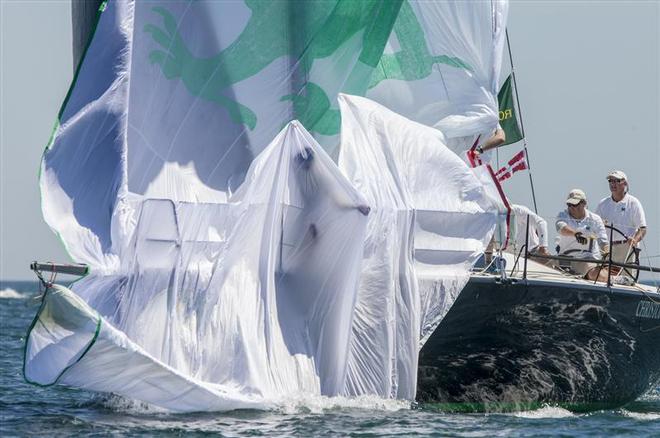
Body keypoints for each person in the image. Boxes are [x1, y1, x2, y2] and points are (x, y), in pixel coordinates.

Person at [596, 170, 646, 278]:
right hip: (607, 248)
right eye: (611, 181)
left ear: (625, 183)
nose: (613, 184)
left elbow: (642, 228)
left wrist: (635, 240)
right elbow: (595, 227)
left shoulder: (633, 203)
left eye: (617, 181)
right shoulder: (603, 204)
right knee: (603, 280)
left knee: (626, 280)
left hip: (627, 248)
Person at [555, 189, 609, 277]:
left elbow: (602, 240)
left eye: (575, 204)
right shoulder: (563, 215)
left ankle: (613, 279)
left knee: (595, 274)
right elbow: (561, 227)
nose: (571, 207)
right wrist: (576, 234)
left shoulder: (595, 219)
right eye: (569, 204)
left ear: (584, 203)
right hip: (565, 258)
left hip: (587, 259)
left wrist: (607, 253)